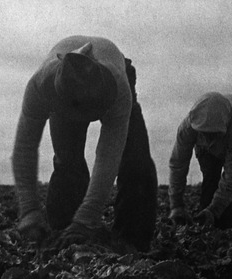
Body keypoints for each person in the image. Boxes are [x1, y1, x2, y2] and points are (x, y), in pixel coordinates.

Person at [12, 36, 157, 252]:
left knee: (136, 160)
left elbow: (109, 155)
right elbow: (25, 147)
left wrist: (87, 218)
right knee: (67, 162)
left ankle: (131, 242)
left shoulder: (118, 89)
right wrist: (29, 209)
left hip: (115, 76)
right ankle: (62, 236)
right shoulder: (40, 86)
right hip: (65, 88)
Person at [168, 92, 232, 228]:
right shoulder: (187, 127)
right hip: (206, 151)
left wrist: (215, 209)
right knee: (210, 181)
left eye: (213, 135)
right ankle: (207, 225)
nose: (209, 140)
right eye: (204, 134)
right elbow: (178, 164)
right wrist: (176, 205)